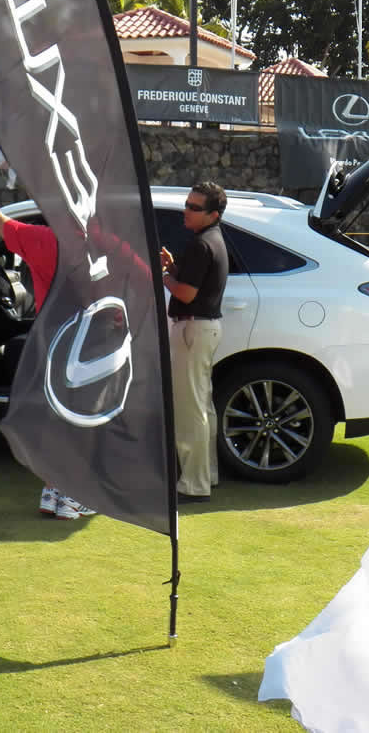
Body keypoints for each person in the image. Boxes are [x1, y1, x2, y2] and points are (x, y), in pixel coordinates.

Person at [0, 179, 96, 521]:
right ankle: (70, 496)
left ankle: (53, 491)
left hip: (51, 338)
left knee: (55, 417)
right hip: (85, 340)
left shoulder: (42, 239)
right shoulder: (100, 246)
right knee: (78, 419)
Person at [160, 181, 228, 501]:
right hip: (203, 328)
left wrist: (161, 275)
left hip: (194, 329)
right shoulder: (212, 239)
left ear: (213, 214)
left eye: (194, 207)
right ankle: (206, 476)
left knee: (191, 410)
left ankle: (193, 485)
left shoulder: (202, 244)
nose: (185, 211)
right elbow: (192, 283)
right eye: (186, 204)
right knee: (202, 406)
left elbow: (186, 293)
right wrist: (173, 268)